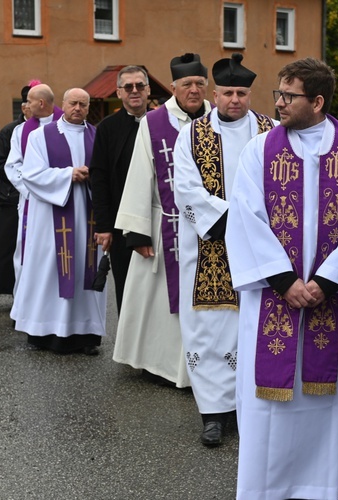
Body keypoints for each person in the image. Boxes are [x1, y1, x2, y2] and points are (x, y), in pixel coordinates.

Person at [226, 57, 338, 499]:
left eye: (288, 95)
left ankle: (318, 486)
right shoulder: (261, 150)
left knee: (322, 403)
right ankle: (265, 488)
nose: (277, 102)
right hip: (273, 296)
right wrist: (283, 281)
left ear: (316, 101)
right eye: (278, 93)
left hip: (326, 298)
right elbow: (245, 216)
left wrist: (326, 282)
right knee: (267, 404)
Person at [173, 53, 276, 446]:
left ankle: (252, 408)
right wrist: (235, 222)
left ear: (251, 94)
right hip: (209, 249)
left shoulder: (271, 131)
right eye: (228, 92)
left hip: (261, 247)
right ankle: (213, 414)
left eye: (242, 92)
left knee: (255, 328)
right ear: (215, 94)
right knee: (210, 331)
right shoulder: (192, 135)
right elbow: (185, 188)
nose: (235, 99)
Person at [113, 53, 212, 388]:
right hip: (163, 224)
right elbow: (140, 175)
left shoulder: (219, 120)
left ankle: (203, 366)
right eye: (187, 84)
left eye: (200, 83)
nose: (194, 90)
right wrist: (137, 231)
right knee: (156, 301)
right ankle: (159, 364)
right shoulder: (153, 122)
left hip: (208, 228)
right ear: (173, 87)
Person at [9, 88, 105, 354]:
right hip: (52, 218)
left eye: (83, 104)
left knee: (84, 274)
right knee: (49, 272)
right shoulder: (41, 136)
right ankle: (45, 333)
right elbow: (30, 174)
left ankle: (85, 335)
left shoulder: (96, 136)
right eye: (73, 103)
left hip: (87, 217)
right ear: (63, 104)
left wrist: (91, 178)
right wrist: (67, 176)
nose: (78, 108)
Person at [91, 65, 151, 314]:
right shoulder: (107, 128)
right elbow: (99, 177)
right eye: (128, 87)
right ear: (119, 92)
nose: (134, 91)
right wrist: (104, 227)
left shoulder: (161, 123)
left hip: (157, 219)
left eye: (139, 86)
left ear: (148, 90)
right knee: (127, 285)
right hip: (120, 222)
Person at [5, 83, 64, 297]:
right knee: (27, 250)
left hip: (64, 200)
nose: (25, 106)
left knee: (61, 250)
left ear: (40, 103)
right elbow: (12, 165)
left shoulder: (69, 126)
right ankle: (24, 303)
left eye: (29, 101)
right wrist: (33, 191)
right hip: (32, 201)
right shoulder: (21, 131)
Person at [0, 83, 35, 295]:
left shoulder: (46, 130)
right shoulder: (9, 131)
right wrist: (19, 184)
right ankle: (9, 288)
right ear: (24, 108)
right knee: (10, 246)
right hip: (12, 197)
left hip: (37, 198)